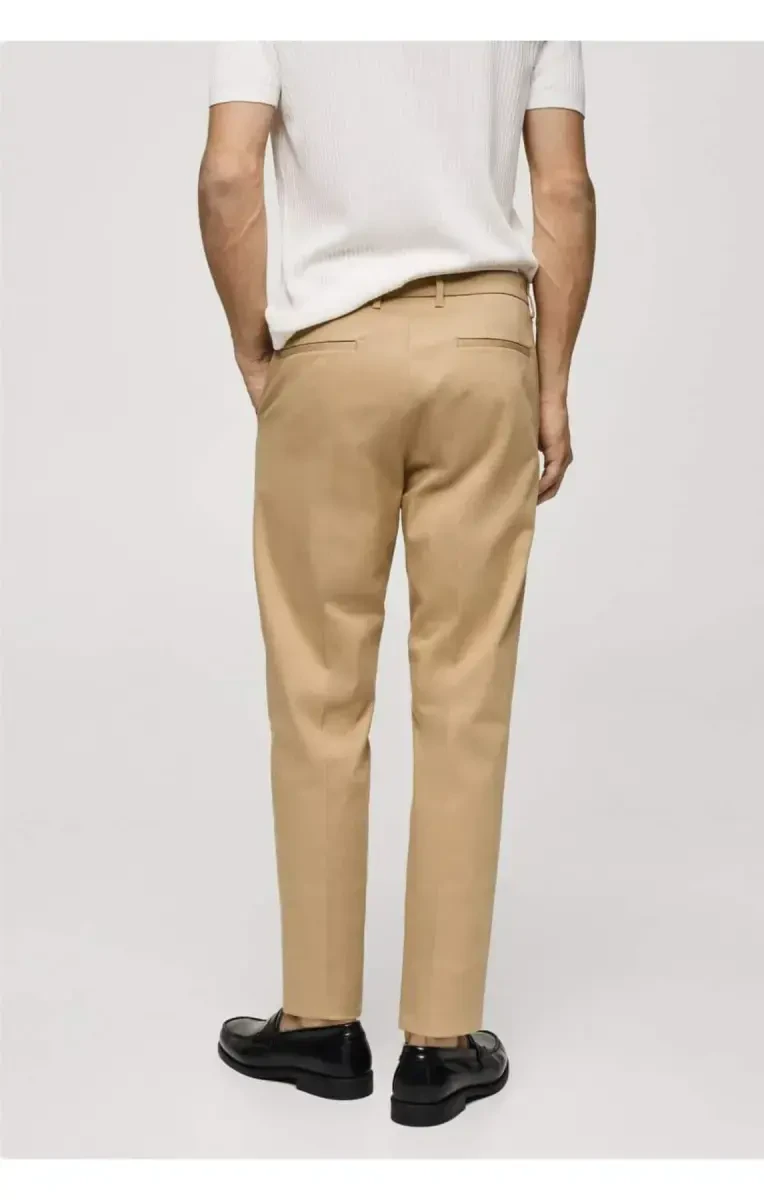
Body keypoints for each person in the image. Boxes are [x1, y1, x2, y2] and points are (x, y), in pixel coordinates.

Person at [199, 40, 595, 1127]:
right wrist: (551, 383)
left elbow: (229, 173)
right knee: (465, 695)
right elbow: (562, 189)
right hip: (485, 349)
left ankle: (320, 1024)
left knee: (318, 691)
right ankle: (441, 1042)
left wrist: (254, 348)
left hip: (330, 350)